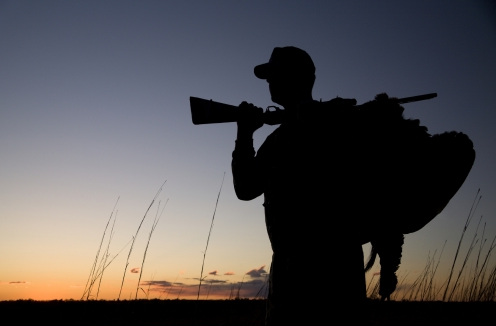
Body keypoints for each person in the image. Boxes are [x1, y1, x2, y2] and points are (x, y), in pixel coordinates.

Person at [231, 46, 366, 325]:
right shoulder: (277, 140)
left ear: (300, 78)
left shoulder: (341, 126)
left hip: (335, 277)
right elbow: (245, 189)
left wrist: (318, 125)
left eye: (276, 75)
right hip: (287, 276)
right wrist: (244, 135)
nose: (269, 82)